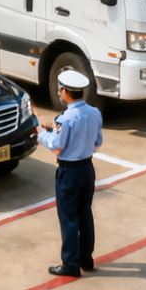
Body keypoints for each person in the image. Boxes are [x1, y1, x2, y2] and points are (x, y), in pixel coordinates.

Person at [36, 69, 102, 278]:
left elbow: (57, 145)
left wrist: (42, 133)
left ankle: (71, 263)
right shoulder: (94, 113)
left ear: (65, 92)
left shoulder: (65, 118)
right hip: (87, 168)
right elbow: (97, 142)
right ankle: (86, 258)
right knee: (85, 212)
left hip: (70, 171)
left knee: (68, 217)